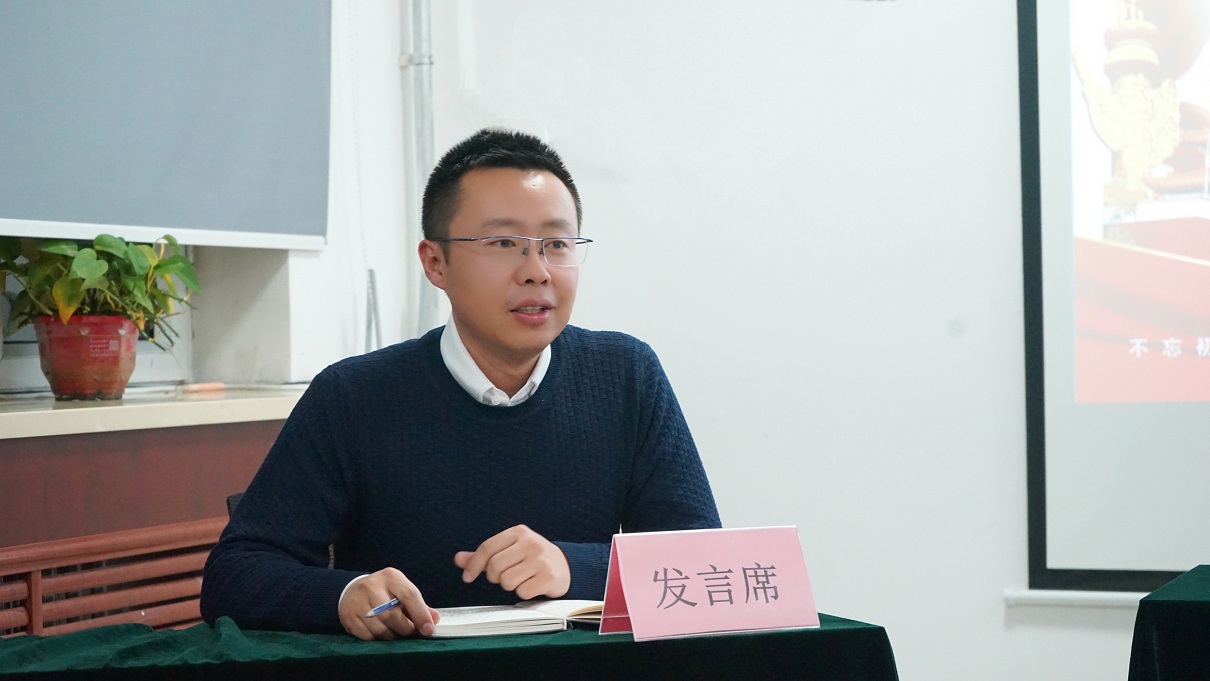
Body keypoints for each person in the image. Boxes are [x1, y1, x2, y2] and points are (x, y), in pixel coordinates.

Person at [200, 128, 721, 640]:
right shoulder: (354, 396)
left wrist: (574, 567)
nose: (537, 271)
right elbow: (235, 574)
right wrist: (344, 594)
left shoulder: (626, 375)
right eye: (503, 243)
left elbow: (709, 565)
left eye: (557, 244)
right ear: (435, 263)